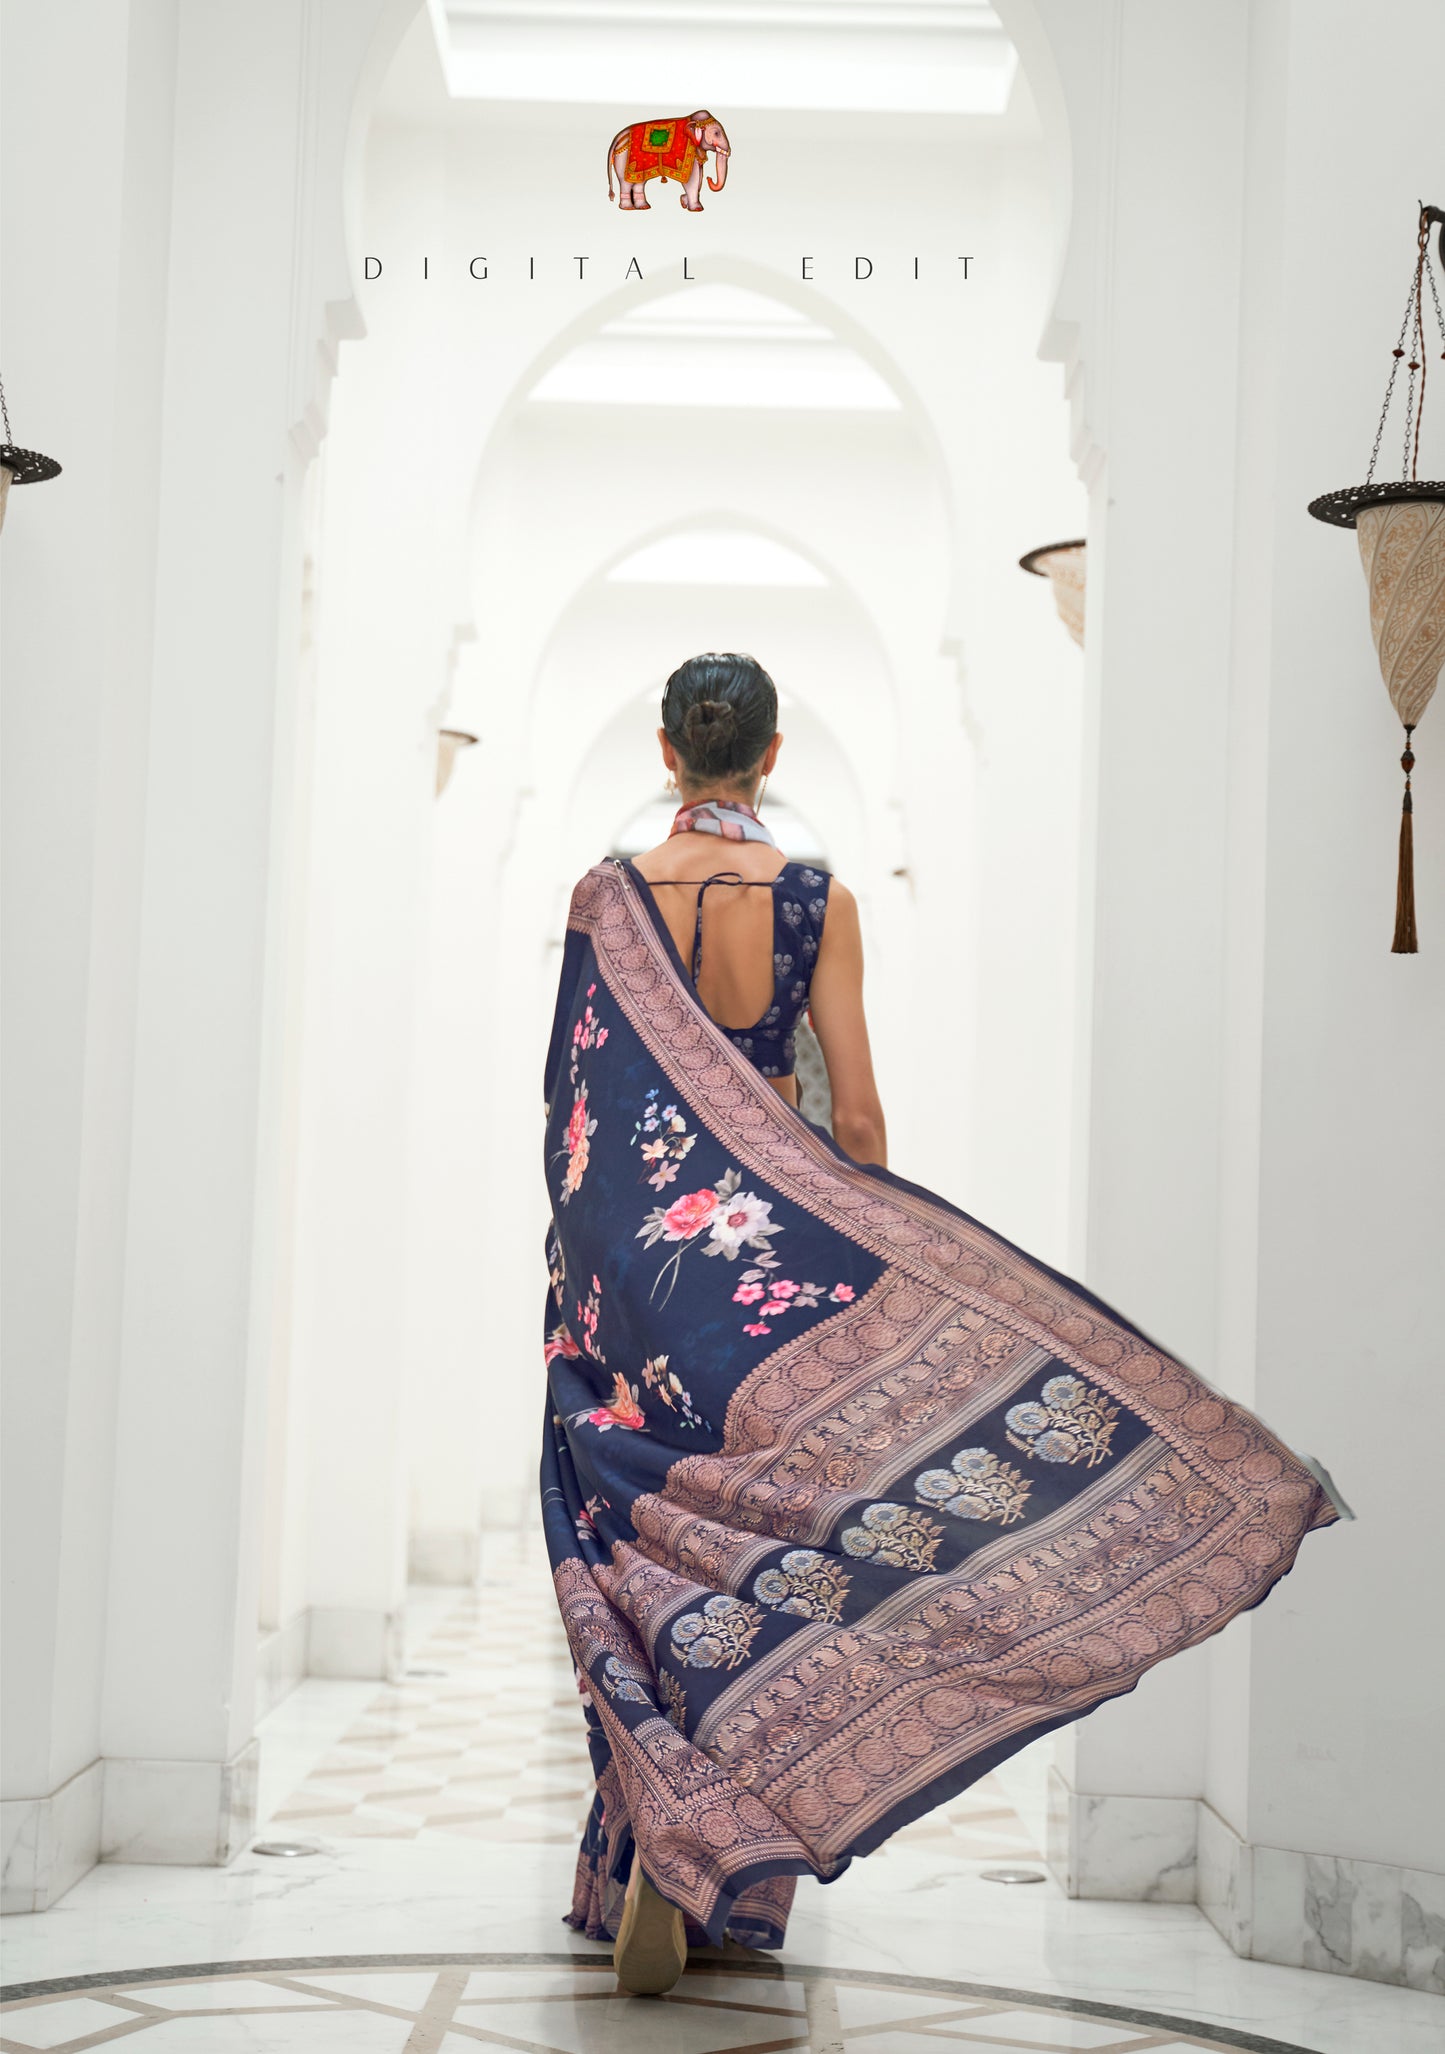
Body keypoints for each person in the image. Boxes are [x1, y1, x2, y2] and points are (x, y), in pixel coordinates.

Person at [539, 652, 1345, 1997]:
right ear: (772, 755)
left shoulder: (601, 902)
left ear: (668, 755)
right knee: (762, 1561)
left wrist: (588, 1278)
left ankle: (647, 1851)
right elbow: (854, 1118)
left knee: (631, 1555)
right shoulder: (816, 900)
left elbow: (574, 1120)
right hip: (775, 1282)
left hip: (628, 1282)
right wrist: (878, 1252)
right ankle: (719, 1853)